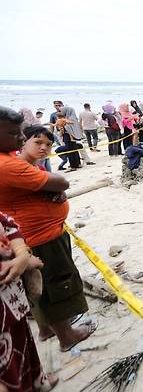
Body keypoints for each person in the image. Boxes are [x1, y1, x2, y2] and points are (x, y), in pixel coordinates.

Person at [0, 107, 96, 353]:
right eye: (15, 134)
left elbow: (50, 187)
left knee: (39, 286)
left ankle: (45, 329)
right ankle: (67, 336)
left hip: (30, 236)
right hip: (39, 237)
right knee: (55, 285)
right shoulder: (10, 166)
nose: (21, 139)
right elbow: (61, 181)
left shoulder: (14, 161)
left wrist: (54, 191)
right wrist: (56, 188)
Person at [0, 212, 59, 391]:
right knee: (6, 368)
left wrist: (22, 256)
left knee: (22, 342)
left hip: (12, 301)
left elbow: (8, 223)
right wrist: (23, 262)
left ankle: (36, 381)